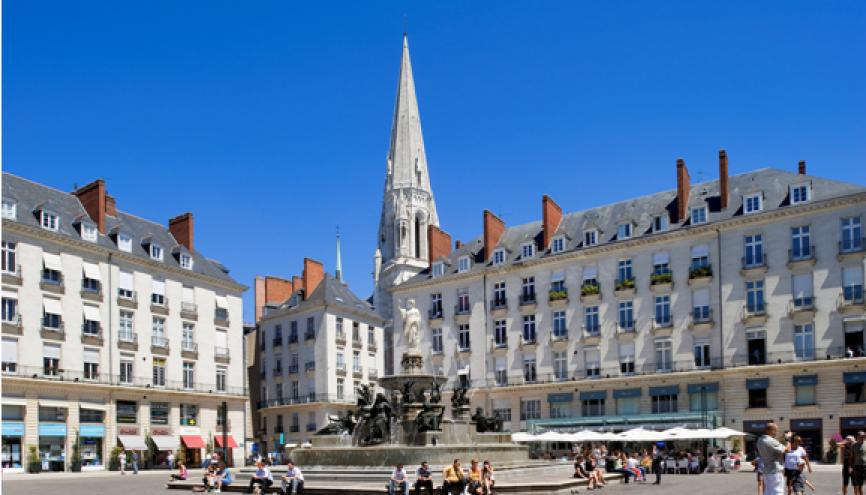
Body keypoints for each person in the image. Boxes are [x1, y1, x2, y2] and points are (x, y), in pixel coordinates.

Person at [757, 421, 790, 495]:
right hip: (775, 470)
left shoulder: (760, 440)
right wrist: (788, 439)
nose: (776, 432)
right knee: (778, 492)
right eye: (775, 430)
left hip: (766, 470)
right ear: (769, 430)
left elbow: (774, 448)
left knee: (768, 491)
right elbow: (787, 450)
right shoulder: (770, 441)